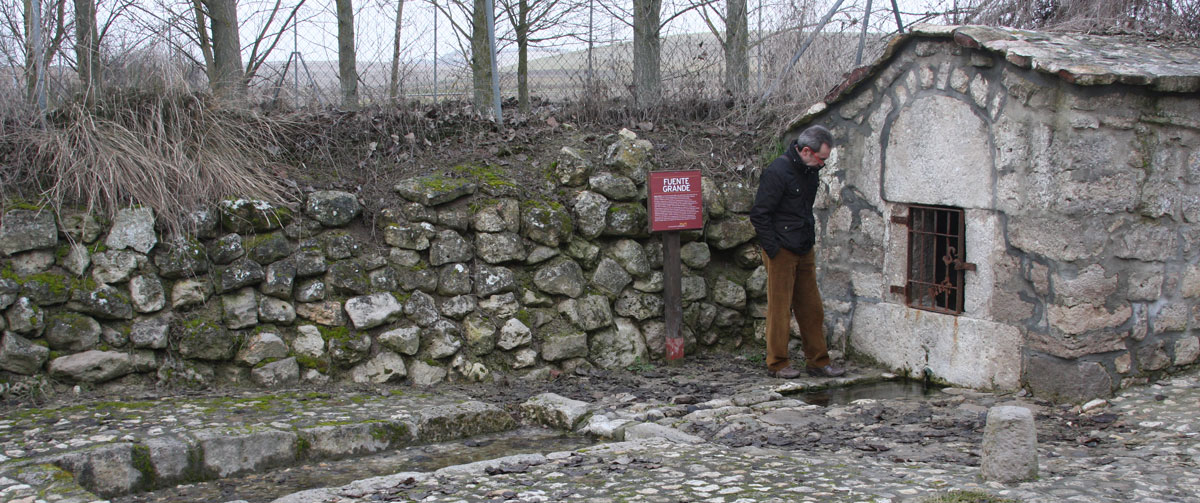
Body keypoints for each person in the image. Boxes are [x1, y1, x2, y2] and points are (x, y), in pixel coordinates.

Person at [749, 125, 846, 379]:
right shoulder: (777, 171)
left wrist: (807, 241)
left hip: (803, 246)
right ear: (806, 151)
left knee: (812, 308)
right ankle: (778, 363)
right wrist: (773, 249)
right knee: (779, 309)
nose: (822, 165)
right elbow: (760, 214)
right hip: (781, 249)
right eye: (821, 159)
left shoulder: (809, 171)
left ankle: (817, 361)